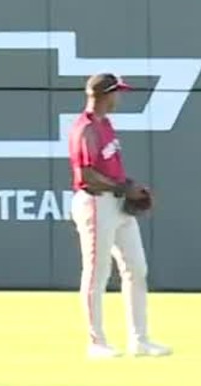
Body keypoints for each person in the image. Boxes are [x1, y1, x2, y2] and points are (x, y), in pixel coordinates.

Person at [68, 73, 170, 360]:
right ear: (105, 95)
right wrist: (124, 187)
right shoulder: (85, 129)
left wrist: (130, 188)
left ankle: (140, 340)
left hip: (116, 204)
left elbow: (110, 169)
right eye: (117, 92)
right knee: (97, 273)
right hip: (96, 204)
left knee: (136, 269)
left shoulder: (106, 125)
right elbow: (87, 176)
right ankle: (96, 342)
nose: (119, 97)